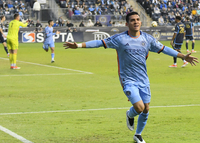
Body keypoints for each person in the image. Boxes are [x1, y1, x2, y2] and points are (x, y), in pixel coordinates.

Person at [63, 12, 198, 143]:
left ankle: (138, 135)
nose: (136, 22)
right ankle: (130, 114)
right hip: (128, 79)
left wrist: (182, 56)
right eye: (133, 20)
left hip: (143, 79)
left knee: (146, 108)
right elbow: (99, 43)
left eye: (138, 19)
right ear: (127, 23)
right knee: (139, 108)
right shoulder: (120, 39)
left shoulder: (147, 39)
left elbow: (164, 49)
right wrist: (79, 45)